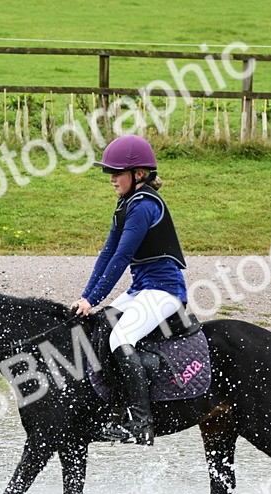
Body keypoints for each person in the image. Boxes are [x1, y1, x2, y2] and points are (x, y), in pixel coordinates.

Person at [70, 134, 188, 446]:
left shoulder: (144, 206)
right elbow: (107, 254)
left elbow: (122, 257)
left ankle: (141, 423)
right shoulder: (126, 206)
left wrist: (94, 298)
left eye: (116, 173)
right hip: (142, 290)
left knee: (121, 338)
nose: (111, 179)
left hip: (164, 291)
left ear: (138, 175)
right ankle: (114, 409)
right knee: (101, 326)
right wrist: (86, 298)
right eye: (109, 173)